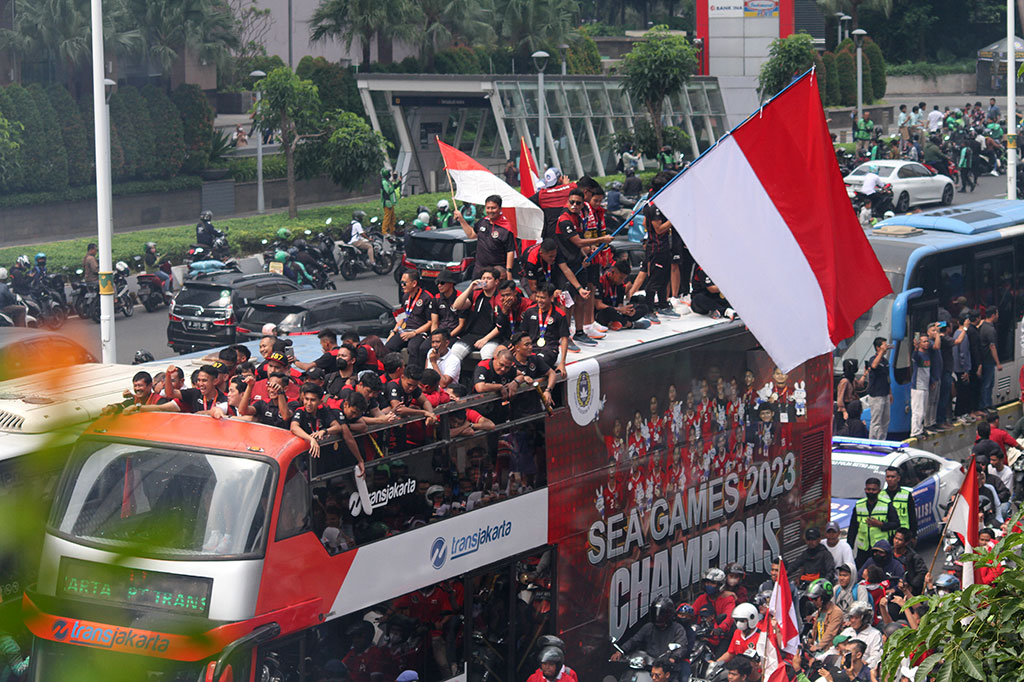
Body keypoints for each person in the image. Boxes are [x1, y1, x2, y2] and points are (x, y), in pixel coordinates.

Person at [555, 188, 612, 345]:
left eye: (578, 203)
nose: (574, 205)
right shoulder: (564, 219)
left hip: (578, 264)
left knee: (582, 298)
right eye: (572, 202)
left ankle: (579, 332)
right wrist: (601, 239)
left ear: (582, 205)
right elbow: (578, 241)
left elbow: (579, 244)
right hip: (565, 266)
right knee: (567, 302)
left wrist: (584, 256)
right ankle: (564, 337)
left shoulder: (578, 218)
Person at [612, 596, 690, 669]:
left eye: (662, 616)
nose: (659, 618)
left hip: (668, 668)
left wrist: (673, 658)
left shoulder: (678, 629)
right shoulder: (649, 627)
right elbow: (635, 640)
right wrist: (621, 651)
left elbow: (681, 647)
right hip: (649, 665)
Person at [847, 477, 900, 569]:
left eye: (874, 490)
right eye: (868, 489)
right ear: (865, 490)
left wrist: (881, 525)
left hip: (880, 549)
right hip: (863, 549)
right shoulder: (859, 505)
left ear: (879, 491)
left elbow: (896, 524)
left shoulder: (886, 504)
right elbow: (853, 527)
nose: (871, 492)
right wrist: (849, 546)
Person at [384, 270, 433, 365]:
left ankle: (411, 376)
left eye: (404, 283)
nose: (402, 285)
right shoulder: (405, 296)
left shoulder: (427, 297)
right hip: (404, 330)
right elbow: (401, 316)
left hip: (419, 332)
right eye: (401, 282)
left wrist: (414, 333)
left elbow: (430, 322)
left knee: (413, 347)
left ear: (414, 283)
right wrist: (393, 332)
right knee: (389, 346)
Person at [451, 269, 501, 361]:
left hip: (492, 337)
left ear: (496, 281)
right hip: (472, 335)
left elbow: (501, 325)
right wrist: (470, 288)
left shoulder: (500, 298)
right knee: (455, 352)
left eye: (489, 278)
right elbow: (457, 306)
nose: (485, 281)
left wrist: (485, 339)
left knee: (487, 354)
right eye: (483, 278)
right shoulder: (476, 294)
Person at [521, 282, 569, 373]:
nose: (539, 300)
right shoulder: (529, 311)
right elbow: (523, 333)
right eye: (537, 297)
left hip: (549, 350)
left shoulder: (559, 315)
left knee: (536, 364)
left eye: (543, 298)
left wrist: (562, 363)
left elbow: (564, 339)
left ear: (551, 298)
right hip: (530, 348)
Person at [691, 569, 736, 656]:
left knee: (719, 662)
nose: (709, 585)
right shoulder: (702, 598)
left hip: (721, 637)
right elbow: (692, 612)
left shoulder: (728, 599)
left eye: (712, 583)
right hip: (704, 636)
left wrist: (720, 629)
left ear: (720, 585)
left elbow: (729, 617)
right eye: (707, 583)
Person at [836, 603, 882, 671]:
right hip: (844, 668)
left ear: (865, 619)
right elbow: (834, 648)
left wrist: (866, 663)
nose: (852, 620)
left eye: (856, 618)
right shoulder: (847, 631)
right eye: (851, 617)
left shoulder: (875, 634)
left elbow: (876, 655)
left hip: (864, 670)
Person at [805, 578, 844, 655]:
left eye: (815, 599)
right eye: (811, 599)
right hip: (815, 649)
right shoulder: (820, 611)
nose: (813, 602)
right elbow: (815, 630)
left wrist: (818, 646)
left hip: (827, 651)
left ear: (824, 598)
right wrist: (809, 642)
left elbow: (830, 633)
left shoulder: (836, 612)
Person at [879, 466, 917, 540]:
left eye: (893, 477)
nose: (890, 479)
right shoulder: (880, 495)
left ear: (898, 478)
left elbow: (912, 516)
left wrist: (914, 535)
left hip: (903, 535)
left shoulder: (906, 494)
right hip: (887, 534)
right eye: (888, 476)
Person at [864, 338, 891, 439]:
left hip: (885, 393)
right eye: (884, 345)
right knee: (876, 421)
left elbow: (887, 378)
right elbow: (874, 365)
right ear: (878, 348)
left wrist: (890, 393)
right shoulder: (873, 359)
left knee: (885, 420)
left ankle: (882, 441)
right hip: (876, 395)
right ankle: (873, 442)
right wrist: (881, 352)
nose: (886, 347)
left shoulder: (885, 361)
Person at [909, 333, 932, 438]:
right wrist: (915, 348)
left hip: (926, 385)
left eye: (927, 341)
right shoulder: (917, 355)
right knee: (917, 410)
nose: (926, 343)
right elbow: (914, 356)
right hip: (918, 386)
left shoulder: (927, 354)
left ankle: (920, 428)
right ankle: (915, 431)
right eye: (924, 341)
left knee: (923, 411)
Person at [891, 527, 926, 595]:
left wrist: (911, 586)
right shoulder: (888, 553)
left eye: (900, 540)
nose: (896, 541)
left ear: (906, 542)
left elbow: (922, 573)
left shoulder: (914, 557)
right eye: (895, 538)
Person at [978, 308, 1000, 410]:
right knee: (987, 384)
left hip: (984, 360)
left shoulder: (982, 326)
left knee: (987, 384)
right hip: (988, 360)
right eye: (997, 314)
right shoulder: (990, 330)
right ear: (993, 315)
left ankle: (987, 403)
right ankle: (985, 405)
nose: (998, 316)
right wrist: (998, 363)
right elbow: (992, 347)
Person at [380, 168, 401, 235]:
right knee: (387, 217)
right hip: (387, 203)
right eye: (389, 173)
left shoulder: (388, 181)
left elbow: (393, 187)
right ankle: (384, 231)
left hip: (391, 202)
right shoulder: (384, 183)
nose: (390, 174)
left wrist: (399, 181)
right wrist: (388, 202)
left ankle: (392, 230)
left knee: (392, 217)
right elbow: (386, 193)